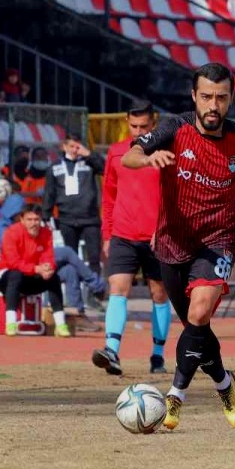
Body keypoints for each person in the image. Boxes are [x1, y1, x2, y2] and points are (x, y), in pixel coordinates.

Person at [122, 62, 235, 431]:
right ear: (194, 96)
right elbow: (129, 156)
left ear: (231, 99)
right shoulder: (174, 128)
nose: (213, 105)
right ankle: (225, 384)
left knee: (200, 313)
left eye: (221, 98)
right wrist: (149, 158)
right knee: (197, 327)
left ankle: (175, 396)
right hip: (172, 244)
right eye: (206, 96)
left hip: (218, 241)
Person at [91, 99, 172, 376]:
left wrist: (163, 229)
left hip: (157, 238)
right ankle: (111, 351)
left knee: (159, 294)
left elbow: (175, 199)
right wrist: (107, 234)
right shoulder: (116, 153)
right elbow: (109, 198)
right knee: (118, 288)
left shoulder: (167, 153)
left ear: (154, 123)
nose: (139, 132)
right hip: (123, 235)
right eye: (134, 125)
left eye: (144, 126)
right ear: (127, 122)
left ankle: (158, 356)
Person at [0, 178, 107, 315]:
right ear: (18, 215)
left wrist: (45, 264)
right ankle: (96, 284)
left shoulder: (15, 224)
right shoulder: (6, 232)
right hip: (20, 272)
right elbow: (17, 260)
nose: (31, 219)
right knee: (67, 252)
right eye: (26, 216)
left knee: (69, 271)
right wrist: (39, 266)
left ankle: (77, 313)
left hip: (36, 266)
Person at [0, 205, 70, 337]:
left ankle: (60, 325)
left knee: (53, 278)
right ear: (22, 219)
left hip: (32, 277)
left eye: (36, 219)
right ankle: (10, 323)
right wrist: (36, 268)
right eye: (29, 220)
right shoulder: (11, 233)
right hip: (7, 279)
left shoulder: (46, 233)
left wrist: (48, 268)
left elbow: (49, 257)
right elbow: (13, 262)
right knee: (16, 274)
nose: (33, 223)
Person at [42, 134, 104, 273]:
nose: (75, 150)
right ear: (63, 147)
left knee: (94, 256)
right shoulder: (54, 167)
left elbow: (105, 168)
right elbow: (49, 193)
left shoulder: (89, 163)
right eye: (71, 146)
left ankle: (95, 291)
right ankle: (75, 291)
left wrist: (88, 154)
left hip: (90, 218)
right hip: (67, 219)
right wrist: (46, 214)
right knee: (72, 256)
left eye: (78, 146)